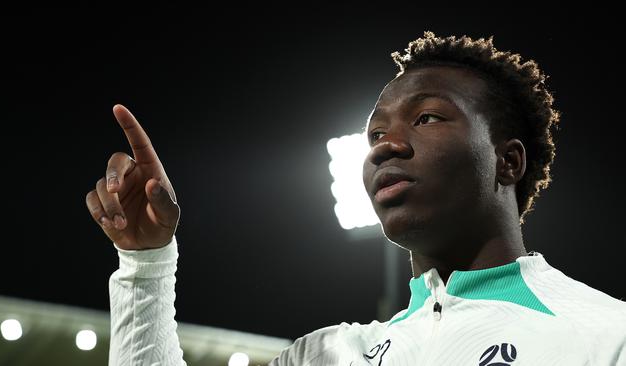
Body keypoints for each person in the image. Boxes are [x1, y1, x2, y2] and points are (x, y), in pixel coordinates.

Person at [85, 31, 626, 365]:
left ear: (507, 161)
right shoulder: (326, 357)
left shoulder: (604, 334)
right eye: (374, 135)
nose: (386, 146)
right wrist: (145, 263)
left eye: (428, 117)